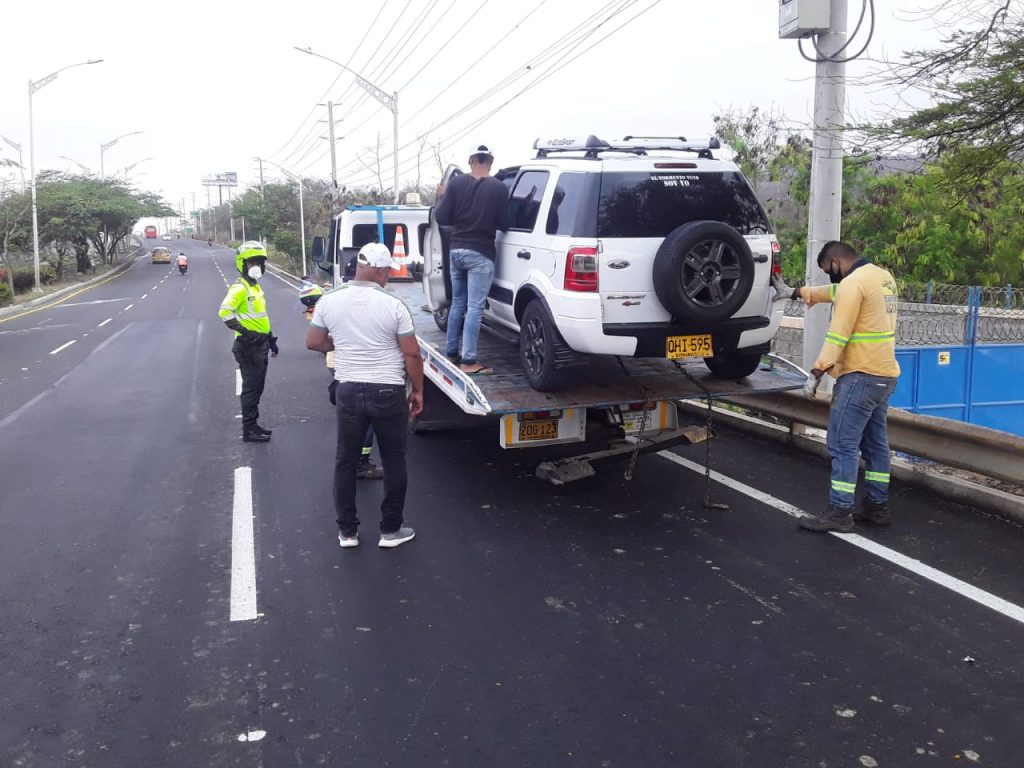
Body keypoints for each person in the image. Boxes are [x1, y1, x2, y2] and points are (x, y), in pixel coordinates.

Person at [773, 241, 900, 532]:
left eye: (827, 270)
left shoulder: (852, 284)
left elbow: (838, 334)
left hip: (859, 376)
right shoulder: (882, 277)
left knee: (843, 444)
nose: (830, 276)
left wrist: (816, 371)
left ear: (835, 262)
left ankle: (840, 511)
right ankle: (877, 507)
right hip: (884, 376)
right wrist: (796, 292)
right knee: (876, 446)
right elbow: (832, 293)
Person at [305, 242, 424, 549]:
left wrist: (341, 346)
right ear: (380, 270)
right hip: (387, 391)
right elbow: (411, 353)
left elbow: (314, 341)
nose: (387, 278)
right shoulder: (393, 304)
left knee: (345, 461)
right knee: (395, 461)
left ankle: (347, 532)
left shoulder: (330, 300)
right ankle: (390, 530)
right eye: (387, 273)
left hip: (347, 389)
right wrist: (419, 391)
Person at [434, 144, 509, 375]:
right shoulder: (499, 188)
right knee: (475, 307)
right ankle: (469, 361)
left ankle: (452, 352)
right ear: (491, 161)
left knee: (458, 303)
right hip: (480, 253)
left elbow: (442, 217)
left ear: (470, 161)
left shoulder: (455, 184)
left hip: (456, 251)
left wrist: (441, 198)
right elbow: (504, 224)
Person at [300, 282, 384, 480]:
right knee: (365, 418)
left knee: (351, 417)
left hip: (339, 366)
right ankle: (360, 464)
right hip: (351, 369)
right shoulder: (355, 311)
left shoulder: (332, 306)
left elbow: (317, 341)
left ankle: (351, 463)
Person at [219, 242, 280, 443]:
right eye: (252, 262)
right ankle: (249, 429)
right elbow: (224, 312)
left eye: (260, 262)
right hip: (248, 347)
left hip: (260, 345)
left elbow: (260, 318)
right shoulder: (240, 287)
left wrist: (271, 341)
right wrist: (246, 333)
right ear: (242, 264)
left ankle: (254, 425)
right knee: (251, 389)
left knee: (257, 387)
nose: (257, 266)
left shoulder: (255, 287)